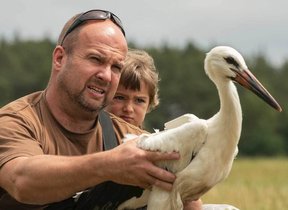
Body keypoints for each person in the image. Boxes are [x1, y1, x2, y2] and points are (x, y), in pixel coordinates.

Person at [0, 9, 180, 210]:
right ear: (60, 58)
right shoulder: (16, 122)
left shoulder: (128, 137)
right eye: (96, 59)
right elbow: (22, 182)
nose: (106, 75)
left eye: (116, 67)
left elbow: (185, 194)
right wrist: (110, 166)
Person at [106, 49, 203, 210]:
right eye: (119, 97)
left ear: (150, 103)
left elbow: (190, 203)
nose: (128, 108)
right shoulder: (93, 139)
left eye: (139, 100)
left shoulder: (158, 148)